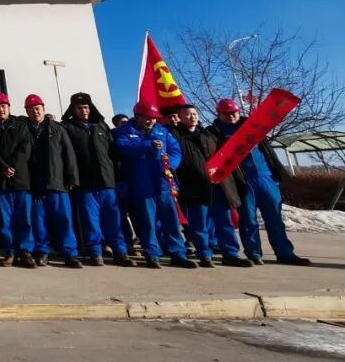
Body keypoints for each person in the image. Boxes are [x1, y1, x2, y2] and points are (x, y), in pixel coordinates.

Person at [208, 99, 310, 266]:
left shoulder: (253, 126)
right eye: (226, 114)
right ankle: (254, 253)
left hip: (266, 178)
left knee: (275, 218)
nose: (231, 116)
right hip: (242, 181)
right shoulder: (213, 133)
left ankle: (285, 253)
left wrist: (277, 174)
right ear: (219, 114)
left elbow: (267, 150)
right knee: (248, 220)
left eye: (234, 112)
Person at [114, 102, 197, 269]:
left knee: (171, 221)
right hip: (141, 183)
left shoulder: (161, 131)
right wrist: (147, 145)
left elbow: (175, 150)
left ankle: (178, 254)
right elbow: (123, 148)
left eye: (153, 118)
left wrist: (170, 164)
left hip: (163, 182)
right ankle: (152, 254)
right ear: (138, 116)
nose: (151, 121)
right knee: (147, 222)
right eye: (147, 118)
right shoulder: (124, 131)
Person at [172, 104, 252, 268]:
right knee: (199, 223)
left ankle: (230, 254)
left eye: (194, 113)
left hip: (218, 184)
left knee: (224, 221)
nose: (192, 117)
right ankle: (204, 254)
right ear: (179, 117)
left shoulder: (209, 134)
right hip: (194, 186)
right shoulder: (175, 136)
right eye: (187, 114)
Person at [61, 92, 132, 267]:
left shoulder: (101, 125)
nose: (84, 111)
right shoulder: (68, 128)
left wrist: (117, 175)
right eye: (79, 108)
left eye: (86, 107)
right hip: (85, 183)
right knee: (90, 221)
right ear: (73, 109)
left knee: (114, 219)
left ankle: (120, 252)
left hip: (107, 181)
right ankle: (95, 252)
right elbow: (66, 156)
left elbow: (113, 153)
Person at [23, 95, 81, 268]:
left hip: (58, 182)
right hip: (35, 184)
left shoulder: (57, 129)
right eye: (31, 109)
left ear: (43, 108)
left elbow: (69, 154)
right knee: (39, 221)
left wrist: (72, 177)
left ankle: (70, 253)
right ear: (26, 111)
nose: (35, 112)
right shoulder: (23, 130)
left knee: (64, 219)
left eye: (37, 108)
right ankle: (42, 251)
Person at [0, 94, 35, 268]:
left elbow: (24, 147)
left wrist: (11, 166)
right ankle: (10, 252)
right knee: (5, 219)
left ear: (9, 107)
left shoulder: (20, 124)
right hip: (0, 179)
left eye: (3, 106)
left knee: (24, 218)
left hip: (20, 178)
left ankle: (25, 251)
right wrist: (3, 167)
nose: (0, 109)